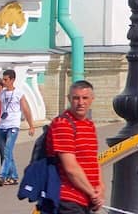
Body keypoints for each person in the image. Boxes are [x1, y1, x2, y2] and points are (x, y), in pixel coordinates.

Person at [52, 81, 102, 213]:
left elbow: (92, 160)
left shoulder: (89, 125)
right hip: (68, 199)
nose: (80, 102)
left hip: (86, 198)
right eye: (76, 98)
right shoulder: (63, 123)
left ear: (92, 99)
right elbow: (70, 168)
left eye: (85, 98)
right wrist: (92, 193)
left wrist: (100, 187)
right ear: (69, 98)